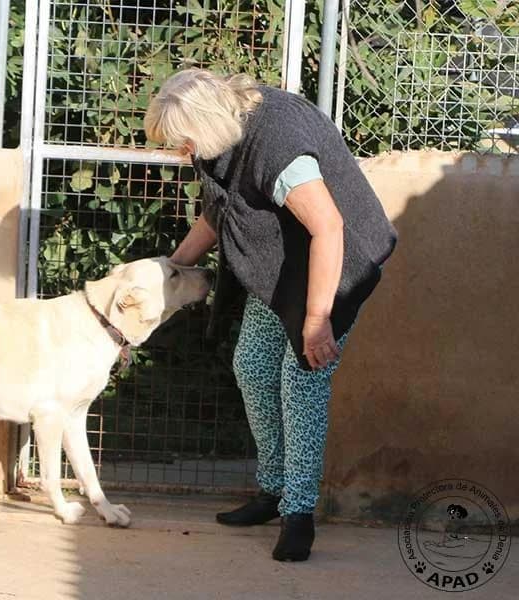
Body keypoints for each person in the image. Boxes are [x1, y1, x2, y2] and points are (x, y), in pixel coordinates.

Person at [144, 69, 397, 562]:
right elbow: (218, 213)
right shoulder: (220, 140)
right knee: (255, 367)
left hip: (335, 267)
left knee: (301, 380)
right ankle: (273, 490)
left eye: (183, 143)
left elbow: (329, 228)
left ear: (206, 124)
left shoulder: (278, 144)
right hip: (283, 271)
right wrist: (171, 270)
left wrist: (317, 320)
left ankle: (298, 515)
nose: (182, 154)